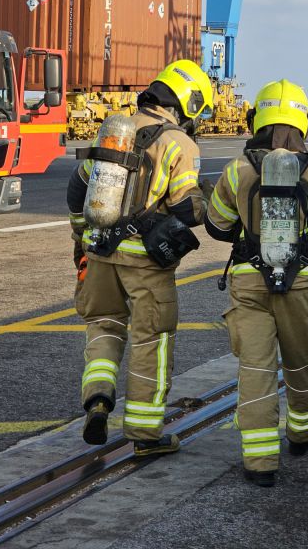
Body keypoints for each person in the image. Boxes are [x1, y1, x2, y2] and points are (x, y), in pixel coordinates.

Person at [204, 79, 308, 487]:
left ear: (258, 120)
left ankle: (260, 463)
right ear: (304, 123)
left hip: (249, 284)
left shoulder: (236, 170)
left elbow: (217, 227)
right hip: (301, 285)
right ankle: (303, 432)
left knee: (255, 369)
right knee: (302, 362)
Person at [67, 59, 213, 457]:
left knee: (103, 326)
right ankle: (146, 434)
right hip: (146, 263)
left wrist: (80, 237)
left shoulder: (117, 129)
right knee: (152, 340)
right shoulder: (179, 143)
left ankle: (98, 399)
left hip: (100, 251)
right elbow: (186, 211)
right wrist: (205, 196)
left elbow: (77, 189)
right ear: (189, 102)